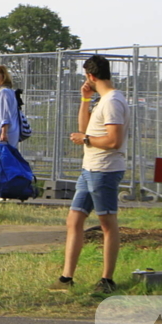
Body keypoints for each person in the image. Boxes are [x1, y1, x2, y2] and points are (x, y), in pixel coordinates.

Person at [54, 54, 129, 295]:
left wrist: (85, 139)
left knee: (107, 224)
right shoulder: (103, 99)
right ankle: (66, 278)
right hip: (90, 169)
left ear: (91, 76)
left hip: (104, 170)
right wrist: (85, 100)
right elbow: (84, 128)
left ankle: (107, 279)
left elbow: (114, 141)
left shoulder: (112, 102)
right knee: (74, 221)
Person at [0, 65, 20, 153]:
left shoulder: (4, 92)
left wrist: (3, 133)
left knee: (3, 160)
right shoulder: (6, 92)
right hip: (2, 133)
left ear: (4, 76)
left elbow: (4, 114)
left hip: (2, 135)